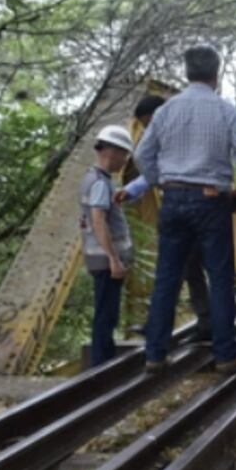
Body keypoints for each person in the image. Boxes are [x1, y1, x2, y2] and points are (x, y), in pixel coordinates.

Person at [121, 45, 236, 374]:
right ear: (216, 74)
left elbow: (141, 156)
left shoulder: (167, 111)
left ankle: (155, 355)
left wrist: (161, 182)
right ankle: (225, 356)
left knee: (167, 277)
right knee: (220, 278)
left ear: (186, 73)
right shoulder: (225, 110)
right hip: (212, 201)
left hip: (174, 199)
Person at [127, 94, 212, 341]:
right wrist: (131, 189)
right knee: (190, 269)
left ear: (158, 115)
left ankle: (163, 324)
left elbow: (150, 165)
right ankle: (205, 323)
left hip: (192, 210)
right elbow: (157, 171)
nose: (147, 130)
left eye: (147, 123)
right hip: (196, 209)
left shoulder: (183, 135)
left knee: (177, 268)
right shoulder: (177, 135)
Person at [79, 125, 136, 367]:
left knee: (106, 312)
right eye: (124, 154)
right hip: (105, 261)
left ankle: (103, 362)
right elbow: (99, 221)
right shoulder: (100, 183)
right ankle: (101, 365)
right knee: (106, 314)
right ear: (111, 151)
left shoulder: (90, 179)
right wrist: (114, 259)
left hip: (99, 259)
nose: (125, 160)